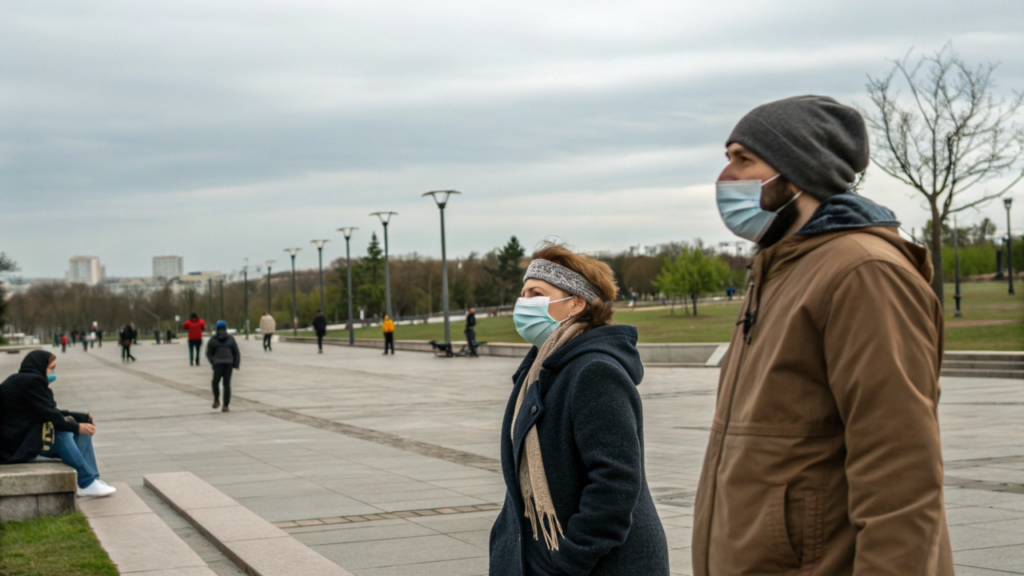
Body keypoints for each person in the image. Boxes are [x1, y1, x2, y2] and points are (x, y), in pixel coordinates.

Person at [692, 95, 952, 575]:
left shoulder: (863, 272)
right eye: (727, 159)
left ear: (799, 171)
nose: (726, 177)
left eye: (744, 159)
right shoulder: (778, 270)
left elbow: (900, 473)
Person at [489, 243, 669, 576]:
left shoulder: (594, 371)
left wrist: (568, 562)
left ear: (575, 303)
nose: (523, 303)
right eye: (523, 293)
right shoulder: (540, 371)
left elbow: (614, 487)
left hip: (598, 566)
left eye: (537, 293)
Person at [0, 351, 116, 497]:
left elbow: (47, 410)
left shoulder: (24, 380)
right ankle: (86, 482)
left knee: (78, 430)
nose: (53, 372)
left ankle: (92, 480)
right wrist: (77, 426)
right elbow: (50, 415)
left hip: (26, 438)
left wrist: (80, 418)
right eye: (51, 368)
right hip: (16, 447)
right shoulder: (31, 381)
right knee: (63, 433)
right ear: (40, 366)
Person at [205, 320, 240, 412]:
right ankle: (226, 405)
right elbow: (236, 352)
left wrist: (213, 361)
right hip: (228, 363)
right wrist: (236, 364)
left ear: (216, 328)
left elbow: (208, 353)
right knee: (227, 384)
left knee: (215, 382)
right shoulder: (231, 338)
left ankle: (216, 400)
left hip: (218, 364)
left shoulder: (213, 339)